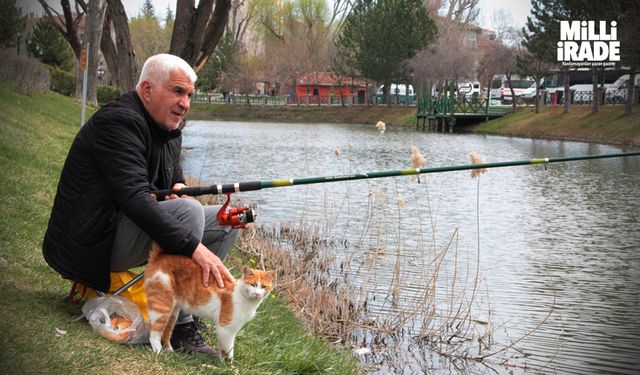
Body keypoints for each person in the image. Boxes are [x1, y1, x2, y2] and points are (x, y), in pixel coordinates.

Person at [43, 53, 239, 356]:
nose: (185, 103)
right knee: (188, 214)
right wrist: (194, 248)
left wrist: (180, 191)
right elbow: (134, 199)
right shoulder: (119, 122)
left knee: (227, 222)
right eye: (177, 91)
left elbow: (170, 188)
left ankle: (191, 311)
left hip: (121, 230)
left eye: (188, 94)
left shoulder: (170, 129)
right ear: (147, 90)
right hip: (90, 244)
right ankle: (182, 329)